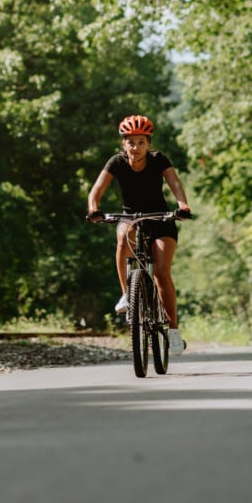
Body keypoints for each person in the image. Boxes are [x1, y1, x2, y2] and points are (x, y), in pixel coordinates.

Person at [86, 114, 191, 355]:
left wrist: (182, 205)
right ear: (123, 144)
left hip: (161, 218)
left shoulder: (158, 159)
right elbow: (96, 192)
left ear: (148, 143)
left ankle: (173, 332)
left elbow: (174, 182)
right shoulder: (116, 163)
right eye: (131, 142)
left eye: (141, 142)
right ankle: (127, 295)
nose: (136, 147)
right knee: (123, 237)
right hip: (130, 217)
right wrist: (94, 209)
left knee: (162, 274)